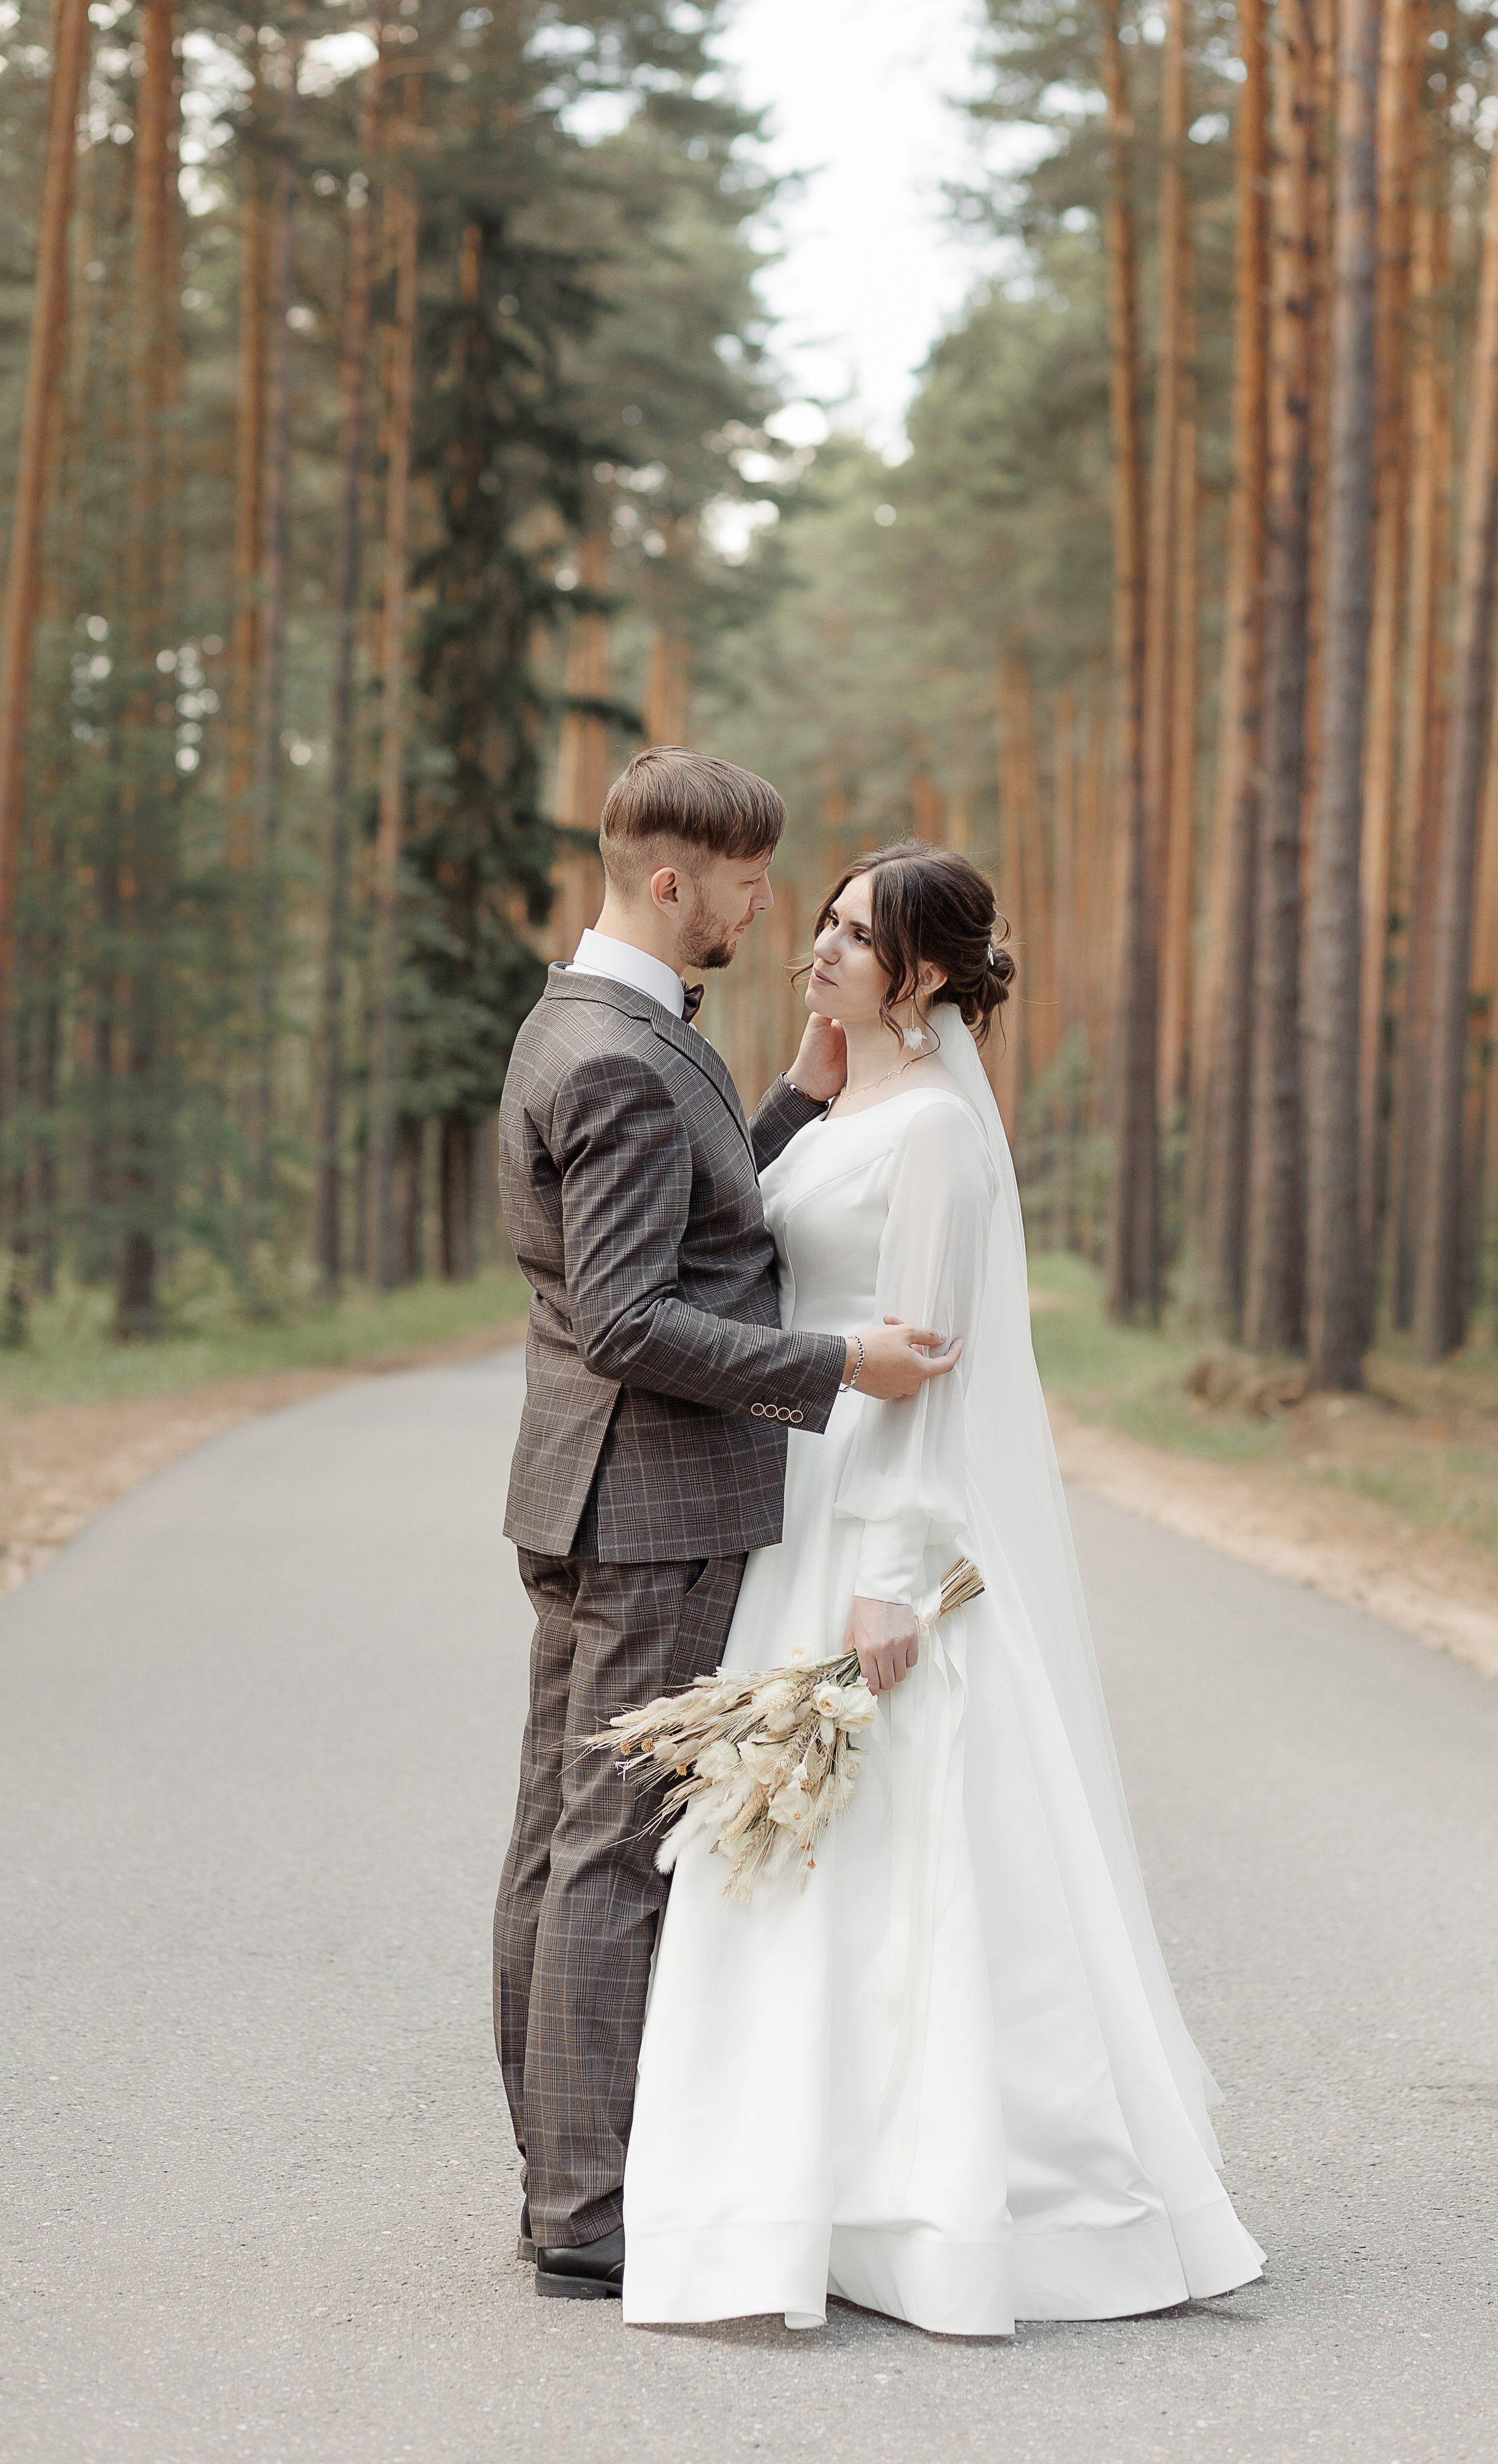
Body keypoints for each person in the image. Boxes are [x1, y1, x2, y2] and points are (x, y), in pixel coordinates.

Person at [621, 839, 1265, 2337]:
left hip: (869, 1526)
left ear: (923, 974)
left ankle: (960, 2196)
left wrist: (894, 1579)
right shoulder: (860, 1109)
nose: (820, 948)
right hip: (796, 1499)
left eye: (854, 934)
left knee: (904, 1853)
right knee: (796, 1859)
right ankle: (804, 2186)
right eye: (828, 923)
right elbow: (758, 1235)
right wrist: (799, 1077)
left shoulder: (935, 1145)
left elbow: (924, 1361)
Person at [494, 751, 962, 2299]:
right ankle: (582, 2210)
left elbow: (686, 1230)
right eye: (753, 885)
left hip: (583, 1485)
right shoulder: (623, 1053)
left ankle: (554, 2178)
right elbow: (635, 1313)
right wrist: (837, 1363)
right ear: (673, 882)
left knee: (559, 1847)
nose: (771, 909)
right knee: (612, 1851)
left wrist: (779, 1111)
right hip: (650, 1501)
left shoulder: (590, 1016)